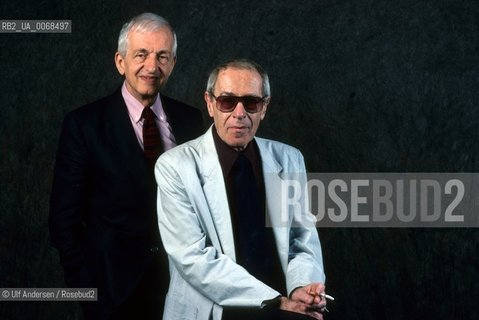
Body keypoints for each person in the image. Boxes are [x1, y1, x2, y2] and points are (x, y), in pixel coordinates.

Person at [49, 13, 203, 320]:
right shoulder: (84, 125)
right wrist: (88, 290)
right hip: (113, 295)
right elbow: (63, 221)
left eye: (162, 56)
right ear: (121, 62)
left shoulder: (190, 120)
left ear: (172, 63)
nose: (151, 66)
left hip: (183, 289)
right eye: (141, 54)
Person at [155, 59, 327, 320]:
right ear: (210, 104)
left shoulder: (290, 159)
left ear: (264, 107)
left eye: (251, 102)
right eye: (227, 101)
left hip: (283, 309)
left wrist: (302, 287)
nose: (239, 113)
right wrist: (276, 301)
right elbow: (194, 258)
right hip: (213, 312)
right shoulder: (175, 166)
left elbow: (301, 240)